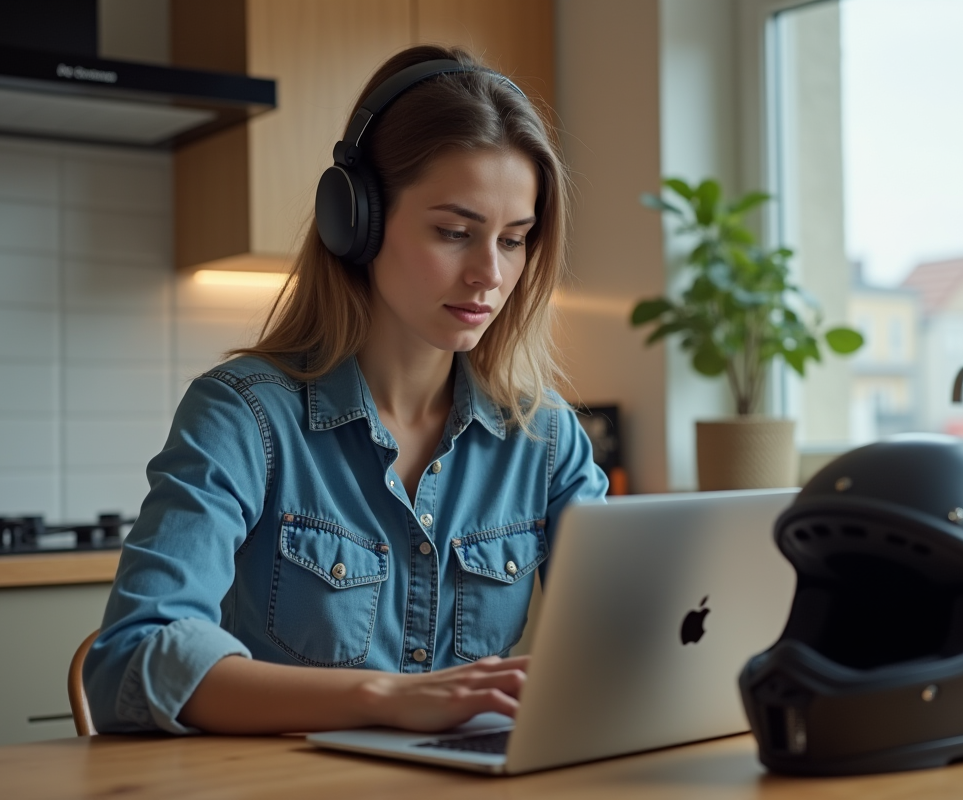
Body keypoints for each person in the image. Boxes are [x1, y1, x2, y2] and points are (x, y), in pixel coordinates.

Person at [83, 45, 609, 735]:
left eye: (514, 240)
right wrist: (384, 697)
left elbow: (625, 638)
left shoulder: (545, 438)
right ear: (354, 220)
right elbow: (130, 658)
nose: (489, 274)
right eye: (455, 232)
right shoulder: (243, 417)